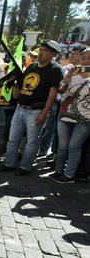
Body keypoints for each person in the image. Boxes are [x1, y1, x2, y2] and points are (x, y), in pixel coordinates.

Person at [0, 40, 63, 176]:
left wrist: (44, 113)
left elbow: (53, 93)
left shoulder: (55, 70)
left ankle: (25, 167)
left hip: (36, 111)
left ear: (53, 54)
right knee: (13, 139)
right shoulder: (31, 66)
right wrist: (16, 88)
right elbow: (21, 87)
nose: (41, 52)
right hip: (20, 108)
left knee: (32, 142)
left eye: (45, 50)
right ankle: (9, 163)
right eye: (41, 49)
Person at [50, 48, 90, 183]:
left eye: (89, 58)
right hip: (65, 114)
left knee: (74, 147)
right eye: (83, 57)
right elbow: (60, 90)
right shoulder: (71, 72)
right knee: (63, 146)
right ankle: (58, 171)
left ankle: (69, 175)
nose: (86, 61)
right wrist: (68, 77)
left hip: (85, 119)